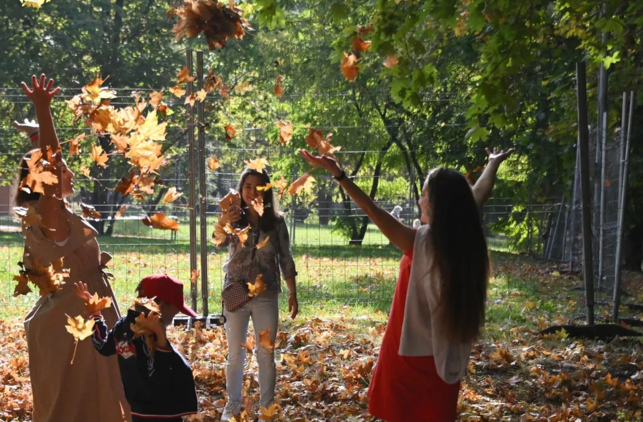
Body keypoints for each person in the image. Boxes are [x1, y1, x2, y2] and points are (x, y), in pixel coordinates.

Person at [299, 147, 513, 422]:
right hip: (444, 356)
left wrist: (339, 174)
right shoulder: (466, 242)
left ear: (438, 205)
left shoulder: (419, 242)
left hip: (407, 353)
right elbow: (479, 192)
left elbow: (371, 209)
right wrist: (493, 164)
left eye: (424, 195)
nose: (420, 200)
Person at [17, 74, 131, 422]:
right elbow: (50, 160)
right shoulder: (49, 215)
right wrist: (43, 109)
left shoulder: (49, 213)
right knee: (79, 408)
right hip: (74, 328)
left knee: (87, 404)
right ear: (45, 180)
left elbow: (47, 162)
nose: (66, 170)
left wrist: (36, 133)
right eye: (60, 169)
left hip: (77, 319)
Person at [218, 168, 299, 421]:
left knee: (266, 353)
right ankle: (233, 403)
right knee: (235, 354)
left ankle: (267, 407)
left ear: (266, 190)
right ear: (241, 191)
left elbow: (285, 257)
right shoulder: (233, 219)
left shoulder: (276, 221)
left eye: (258, 186)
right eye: (247, 186)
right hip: (236, 293)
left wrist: (292, 292)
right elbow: (217, 240)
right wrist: (223, 221)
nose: (252, 191)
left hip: (266, 294)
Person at [76, 274, 200, 422]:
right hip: (164, 411)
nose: (177, 312)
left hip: (138, 409)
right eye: (176, 307)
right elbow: (161, 374)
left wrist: (96, 315)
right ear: (160, 306)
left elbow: (103, 346)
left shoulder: (123, 326)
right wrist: (161, 337)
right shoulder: (151, 335)